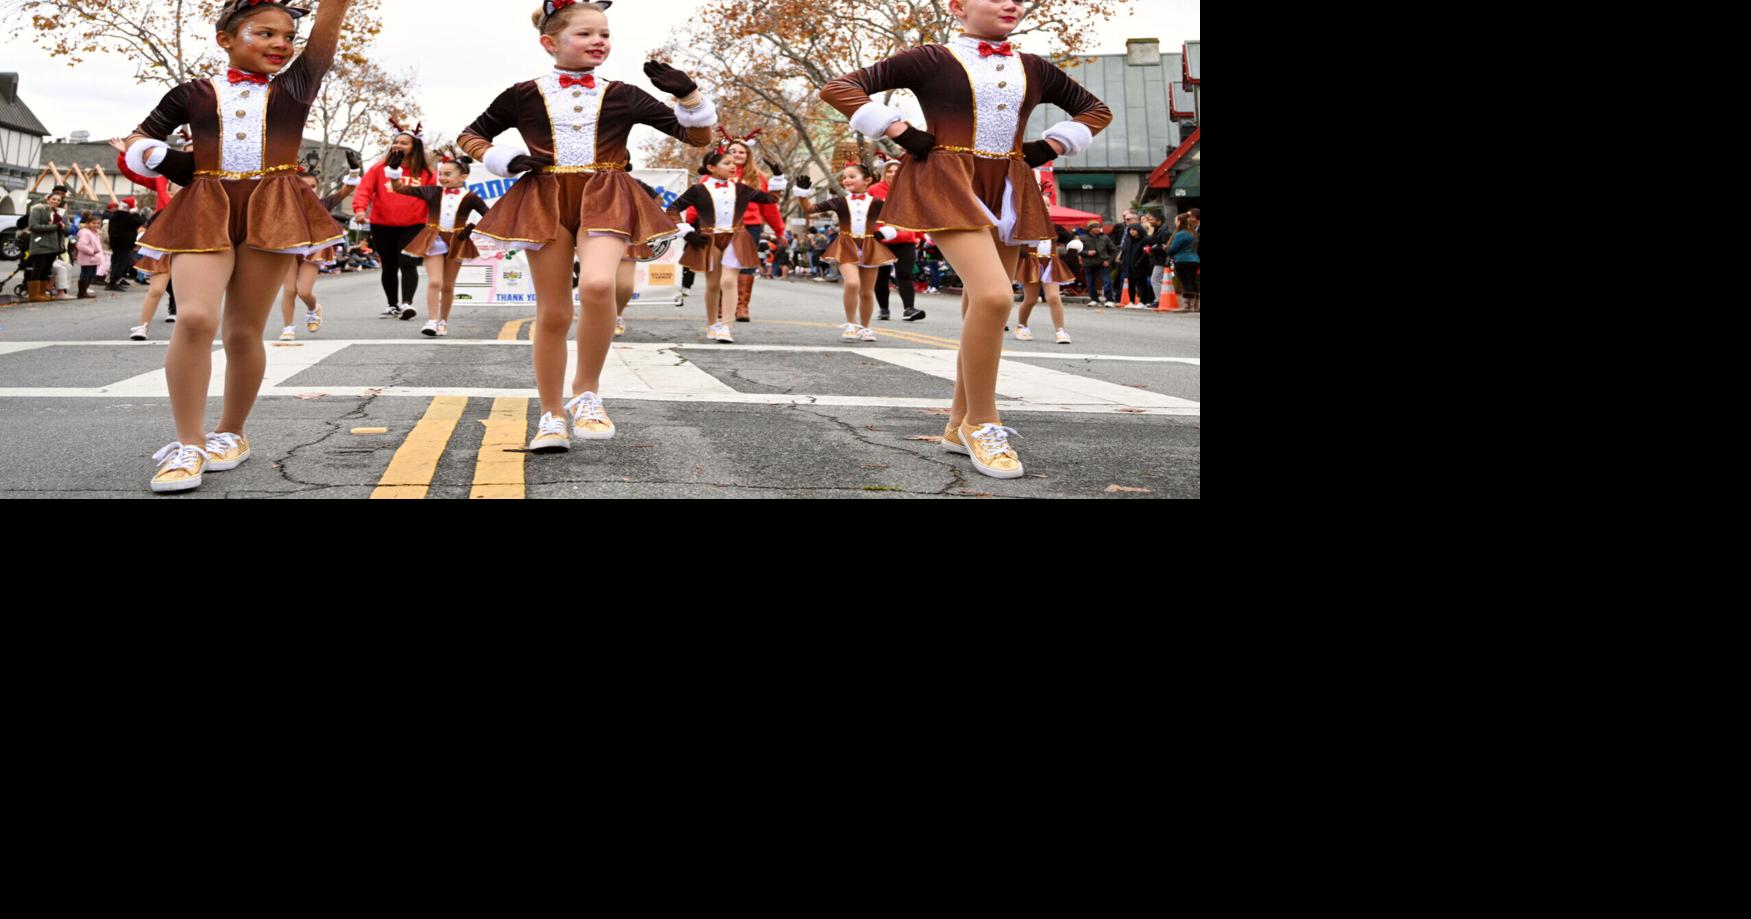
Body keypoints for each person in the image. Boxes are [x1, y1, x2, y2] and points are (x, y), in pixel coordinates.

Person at [821, 0, 1111, 478]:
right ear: (957, 7)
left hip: (1010, 187)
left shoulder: (1034, 66)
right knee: (997, 295)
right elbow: (840, 87)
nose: (1010, 4)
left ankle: (957, 424)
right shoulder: (930, 59)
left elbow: (1095, 110)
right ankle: (983, 422)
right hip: (946, 179)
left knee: (982, 300)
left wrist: (1052, 144)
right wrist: (898, 129)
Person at [458, 0, 714, 451]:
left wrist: (688, 96)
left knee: (598, 286)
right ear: (550, 42)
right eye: (586, 34)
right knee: (554, 313)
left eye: (605, 34)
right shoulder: (523, 93)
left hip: (607, 195)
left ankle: (587, 393)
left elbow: (696, 138)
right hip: (545, 197)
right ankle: (551, 416)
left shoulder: (624, 93)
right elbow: (470, 136)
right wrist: (502, 159)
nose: (599, 41)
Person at [124, 0, 352, 492]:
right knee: (195, 317)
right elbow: (139, 141)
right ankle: (189, 443)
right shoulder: (191, 93)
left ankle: (231, 432)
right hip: (205, 205)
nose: (280, 45)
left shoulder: (296, 85)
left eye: (288, 37)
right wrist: (160, 157)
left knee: (245, 330)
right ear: (226, 38)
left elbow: (328, 28)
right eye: (264, 33)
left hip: (273, 208)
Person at [665, 148, 779, 343]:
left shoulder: (741, 188)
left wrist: (778, 178)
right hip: (710, 238)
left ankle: (726, 326)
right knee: (713, 284)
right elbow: (673, 209)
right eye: (727, 163)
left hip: (735, 237)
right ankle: (711, 324)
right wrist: (687, 231)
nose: (733, 166)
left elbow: (771, 200)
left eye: (734, 163)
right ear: (711, 167)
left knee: (728, 281)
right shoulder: (698, 190)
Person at [794, 162, 899, 342]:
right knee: (852, 283)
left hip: (869, 246)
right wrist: (803, 195)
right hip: (846, 244)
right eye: (845, 177)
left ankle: (865, 328)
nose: (846, 180)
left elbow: (897, 218)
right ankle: (851, 323)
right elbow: (810, 209)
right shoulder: (839, 202)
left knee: (867, 291)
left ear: (867, 180)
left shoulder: (877, 203)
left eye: (852, 176)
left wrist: (886, 232)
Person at [389, 155, 488, 337]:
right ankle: (432, 321)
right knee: (435, 281)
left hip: (457, 241)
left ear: (463, 176)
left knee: (448, 286)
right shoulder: (432, 192)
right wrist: (395, 174)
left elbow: (490, 216)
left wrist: (472, 229)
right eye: (440, 173)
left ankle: (443, 320)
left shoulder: (471, 197)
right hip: (433, 239)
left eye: (448, 174)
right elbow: (400, 188)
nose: (442, 177)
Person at [353, 124, 434, 319]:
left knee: (407, 262)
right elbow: (364, 190)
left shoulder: (425, 173)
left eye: (404, 143)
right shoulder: (379, 169)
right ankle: (392, 304)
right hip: (382, 225)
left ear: (414, 147)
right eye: (396, 142)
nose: (398, 145)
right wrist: (360, 210)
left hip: (414, 225)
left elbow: (434, 198)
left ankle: (407, 304)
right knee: (389, 265)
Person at [276, 170, 336, 340]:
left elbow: (346, 190)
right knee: (289, 290)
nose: (309, 189)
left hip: (313, 249)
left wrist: (353, 172)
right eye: (303, 186)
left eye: (313, 186)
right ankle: (288, 328)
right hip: (290, 248)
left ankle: (314, 308)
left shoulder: (322, 204)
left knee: (303, 292)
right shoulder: (284, 205)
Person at [24, 186, 69, 303]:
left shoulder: (59, 213)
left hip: (53, 246)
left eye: (58, 200)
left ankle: (42, 293)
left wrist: (63, 227)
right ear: (48, 199)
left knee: (46, 270)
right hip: (40, 245)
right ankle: (34, 295)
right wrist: (55, 226)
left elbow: (66, 228)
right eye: (53, 199)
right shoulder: (38, 209)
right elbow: (33, 226)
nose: (56, 202)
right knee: (38, 269)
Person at [103, 197, 143, 290]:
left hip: (116, 243)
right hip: (124, 243)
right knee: (121, 263)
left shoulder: (115, 215)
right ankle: (113, 282)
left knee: (116, 262)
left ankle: (115, 280)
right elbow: (140, 221)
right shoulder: (126, 216)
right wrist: (135, 212)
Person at [1167, 211, 1200, 312]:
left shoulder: (1181, 234)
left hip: (1182, 260)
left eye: (1176, 221)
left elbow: (1173, 249)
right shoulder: (1194, 233)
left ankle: (1187, 306)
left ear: (1180, 222)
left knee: (1186, 283)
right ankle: (1195, 306)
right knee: (1193, 281)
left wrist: (1166, 248)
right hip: (1194, 259)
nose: (1175, 223)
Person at [75, 211, 104, 299]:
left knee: (91, 274)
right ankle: (81, 293)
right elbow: (81, 245)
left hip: (93, 259)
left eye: (98, 223)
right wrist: (91, 251)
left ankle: (84, 291)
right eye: (93, 223)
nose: (96, 225)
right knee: (86, 274)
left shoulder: (94, 233)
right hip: (87, 258)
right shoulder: (86, 233)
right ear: (87, 224)